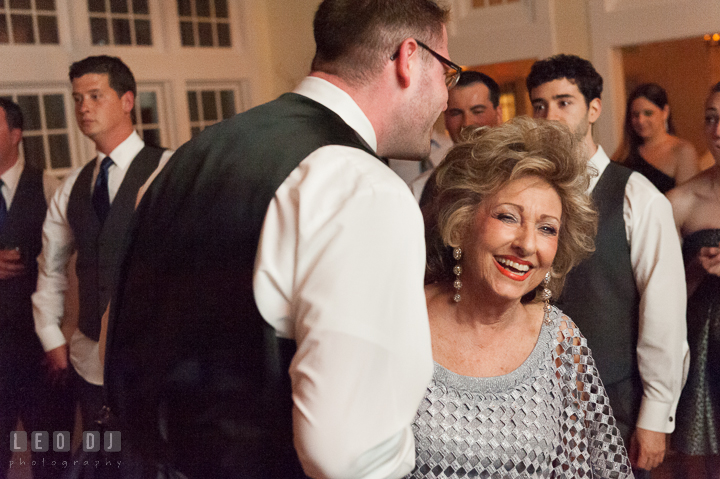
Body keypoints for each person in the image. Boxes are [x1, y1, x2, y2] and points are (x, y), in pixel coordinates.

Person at [103, 1, 453, 478]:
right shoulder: (362, 187)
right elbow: (347, 454)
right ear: (408, 58)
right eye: (447, 72)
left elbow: (118, 336)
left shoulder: (183, 161)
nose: (446, 99)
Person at [409, 116, 631, 477]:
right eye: (508, 217)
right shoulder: (405, 317)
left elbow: (586, 471)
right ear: (463, 220)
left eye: (547, 229)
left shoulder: (561, 341)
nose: (527, 244)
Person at [527, 54, 688, 478]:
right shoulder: (526, 194)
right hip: (534, 398)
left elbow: (664, 313)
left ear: (593, 109)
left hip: (614, 399)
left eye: (564, 103)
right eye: (540, 105)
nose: (550, 116)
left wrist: (655, 415)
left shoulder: (639, 195)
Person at [31, 55, 173, 438]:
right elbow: (51, 268)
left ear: (127, 101)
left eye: (95, 95)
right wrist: (50, 334)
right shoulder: (72, 186)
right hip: (87, 358)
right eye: (77, 99)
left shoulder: (169, 170)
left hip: (156, 357)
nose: (84, 108)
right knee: (105, 460)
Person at [0, 99, 72, 479]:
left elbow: (71, 272)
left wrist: (59, 339)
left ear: (16, 134)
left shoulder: (50, 189)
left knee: (51, 462)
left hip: (39, 358)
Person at [666, 82, 720, 479]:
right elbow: (660, 301)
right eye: (711, 118)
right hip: (704, 357)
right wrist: (695, 268)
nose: (718, 130)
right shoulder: (680, 201)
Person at [410, 71, 502, 201]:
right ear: (446, 119)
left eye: (478, 111)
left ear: (498, 114)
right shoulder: (421, 190)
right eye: (456, 113)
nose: (467, 123)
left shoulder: (522, 177)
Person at [613, 83, 700, 193]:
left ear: (665, 112)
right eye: (635, 115)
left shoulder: (683, 151)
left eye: (648, 113)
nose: (641, 120)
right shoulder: (625, 150)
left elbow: (688, 202)